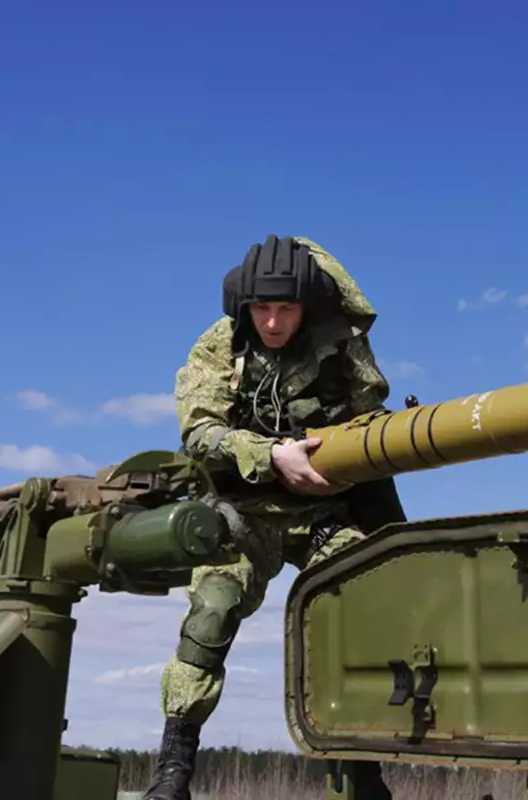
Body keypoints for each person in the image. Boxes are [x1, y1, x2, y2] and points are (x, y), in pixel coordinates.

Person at [142, 234, 405, 800]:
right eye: (263, 308)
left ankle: (365, 774)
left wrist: (358, 461)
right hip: (244, 513)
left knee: (361, 614)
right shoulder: (219, 346)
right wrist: (271, 455)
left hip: (325, 513)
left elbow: (372, 420)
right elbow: (200, 434)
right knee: (209, 616)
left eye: (286, 309)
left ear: (307, 305)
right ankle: (172, 773)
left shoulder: (341, 346)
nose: (273, 321)